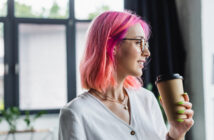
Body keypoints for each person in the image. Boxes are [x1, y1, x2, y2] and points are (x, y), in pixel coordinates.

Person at [58, 11, 194, 140]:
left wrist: (176, 133)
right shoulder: (76, 113)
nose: (147, 52)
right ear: (112, 45)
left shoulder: (146, 99)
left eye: (145, 44)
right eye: (138, 42)